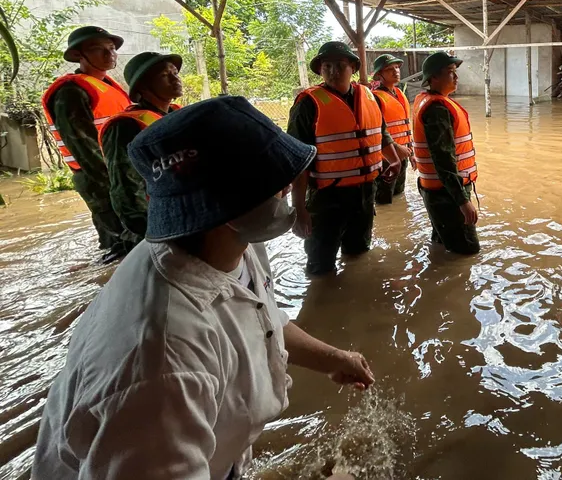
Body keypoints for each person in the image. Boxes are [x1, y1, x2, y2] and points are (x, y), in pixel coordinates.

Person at [32, 96, 374, 480]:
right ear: (230, 204)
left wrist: (331, 358)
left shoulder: (228, 244)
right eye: (277, 183)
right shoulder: (163, 360)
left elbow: (256, 315)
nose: (289, 193)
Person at [286, 41, 401, 276]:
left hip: (364, 193)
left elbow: (380, 133)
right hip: (327, 198)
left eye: (340, 65)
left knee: (359, 255)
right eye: (326, 66)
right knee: (321, 266)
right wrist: (299, 209)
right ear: (320, 70)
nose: (333, 71)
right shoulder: (308, 104)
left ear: (353, 68)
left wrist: (395, 159)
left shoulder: (368, 96)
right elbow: (298, 161)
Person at [41, 26, 131, 261]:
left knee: (128, 241)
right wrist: (115, 184)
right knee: (121, 245)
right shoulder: (71, 92)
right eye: (97, 49)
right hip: (100, 177)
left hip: (120, 174)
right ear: (79, 55)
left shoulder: (109, 85)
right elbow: (83, 147)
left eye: (111, 48)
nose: (108, 53)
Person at [98, 51, 184, 250]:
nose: (175, 79)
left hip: (180, 215)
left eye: (175, 73)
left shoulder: (177, 115)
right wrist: (153, 233)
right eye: (164, 75)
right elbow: (125, 189)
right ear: (143, 87)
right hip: (154, 227)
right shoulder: (125, 126)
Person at [411, 51, 480, 254]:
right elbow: (443, 160)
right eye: (450, 72)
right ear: (434, 77)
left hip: (436, 190)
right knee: (467, 253)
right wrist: (463, 201)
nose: (456, 77)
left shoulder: (428, 101)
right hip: (446, 194)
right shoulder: (437, 109)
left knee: (443, 245)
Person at [370, 53, 415, 205]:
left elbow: (406, 128)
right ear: (379, 75)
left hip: (403, 156)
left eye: (397, 67)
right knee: (384, 202)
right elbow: (377, 131)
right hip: (386, 159)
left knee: (399, 198)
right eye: (390, 69)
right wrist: (396, 148)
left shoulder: (399, 94)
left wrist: (411, 153)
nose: (396, 71)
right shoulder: (375, 98)